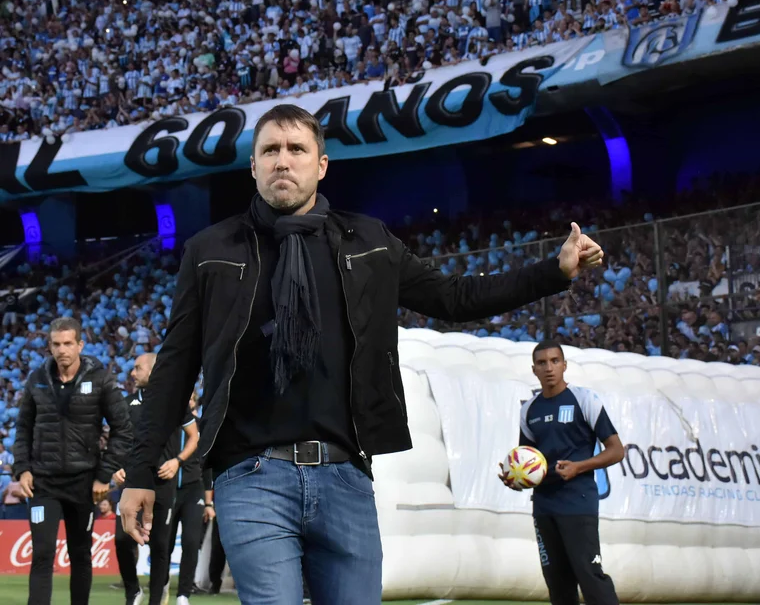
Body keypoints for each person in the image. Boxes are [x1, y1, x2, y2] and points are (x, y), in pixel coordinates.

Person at [119, 103, 603, 605]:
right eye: (270, 150)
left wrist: (553, 272)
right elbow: (175, 367)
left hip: (344, 475)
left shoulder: (368, 242)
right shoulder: (210, 250)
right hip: (251, 476)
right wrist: (140, 473)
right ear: (254, 166)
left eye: (297, 149)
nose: (283, 160)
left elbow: (454, 298)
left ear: (321, 165)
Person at [12, 317, 133, 605]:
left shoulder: (101, 379)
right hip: (43, 483)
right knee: (42, 554)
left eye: (68, 343)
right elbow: (23, 428)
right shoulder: (36, 379)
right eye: (56, 344)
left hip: (84, 483)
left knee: (80, 554)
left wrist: (103, 475)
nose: (62, 350)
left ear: (80, 344)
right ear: (49, 346)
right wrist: (22, 469)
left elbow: (123, 430)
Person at [500, 340, 624, 605]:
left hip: (578, 502)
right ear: (534, 369)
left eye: (555, 361)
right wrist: (515, 479)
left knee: (590, 577)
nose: (549, 368)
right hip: (544, 506)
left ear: (564, 365)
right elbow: (528, 460)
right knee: (558, 586)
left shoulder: (584, 400)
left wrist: (579, 467)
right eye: (542, 363)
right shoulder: (529, 410)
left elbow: (616, 450)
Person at [114, 353, 198, 605]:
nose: (132, 373)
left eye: (137, 368)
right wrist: (116, 468)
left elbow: (194, 436)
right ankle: (133, 590)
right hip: (132, 482)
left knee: (160, 545)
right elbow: (117, 441)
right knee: (122, 539)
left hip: (163, 483)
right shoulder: (125, 404)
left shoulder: (175, 402)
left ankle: (155, 601)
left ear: (152, 370)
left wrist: (177, 461)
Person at [166, 393, 207, 605]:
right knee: (164, 542)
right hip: (168, 488)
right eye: (186, 397)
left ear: (195, 402)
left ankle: (183, 594)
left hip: (194, 489)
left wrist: (209, 502)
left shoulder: (201, 426)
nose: (188, 401)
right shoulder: (167, 422)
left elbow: (207, 464)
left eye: (191, 398)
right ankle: (162, 584)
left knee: (191, 542)